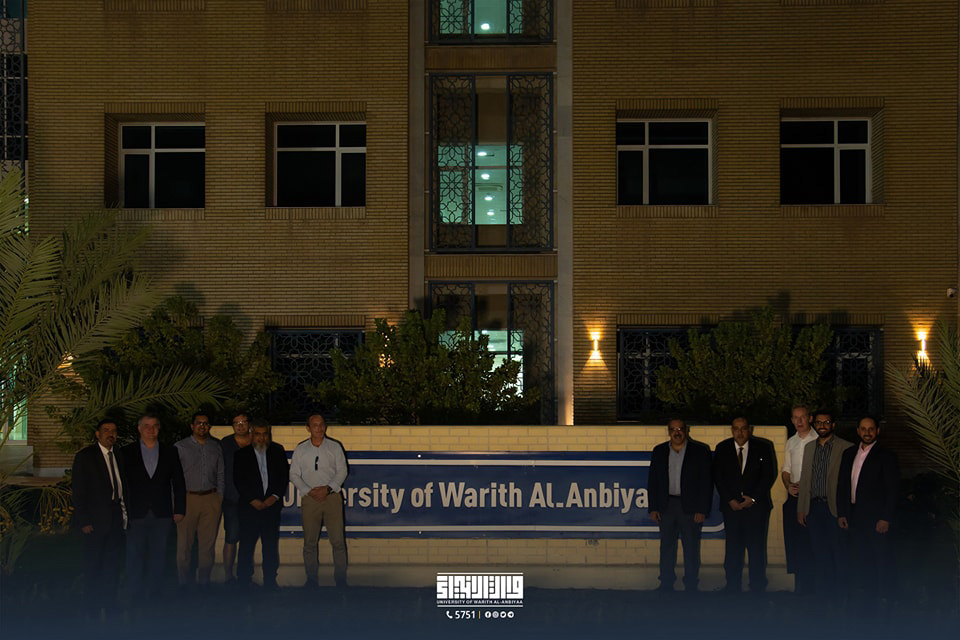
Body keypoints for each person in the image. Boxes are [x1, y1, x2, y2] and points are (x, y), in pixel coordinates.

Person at [121, 414, 186, 599]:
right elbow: (122, 484)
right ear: (139, 428)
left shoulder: (170, 451)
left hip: (162, 513)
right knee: (135, 555)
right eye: (147, 426)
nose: (151, 429)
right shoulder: (126, 452)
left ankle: (154, 593)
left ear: (159, 428)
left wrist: (179, 509)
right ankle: (135, 593)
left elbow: (178, 482)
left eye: (155, 426)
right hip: (136, 512)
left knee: (159, 556)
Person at [838, 416, 899, 609]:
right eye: (863, 429)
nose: (867, 432)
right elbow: (842, 485)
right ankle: (867, 596)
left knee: (881, 558)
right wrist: (842, 513)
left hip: (876, 518)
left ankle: (886, 598)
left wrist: (886, 517)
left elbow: (892, 489)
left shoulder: (886, 456)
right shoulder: (849, 454)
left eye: (871, 429)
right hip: (854, 516)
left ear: (877, 431)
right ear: (858, 431)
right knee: (860, 558)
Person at [647, 418, 713, 592]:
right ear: (668, 432)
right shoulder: (659, 451)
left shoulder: (700, 451)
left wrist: (702, 509)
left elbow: (706, 483)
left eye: (680, 429)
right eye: (673, 429)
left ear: (686, 430)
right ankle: (666, 583)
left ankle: (691, 585)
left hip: (690, 507)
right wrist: (653, 507)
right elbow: (653, 481)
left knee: (691, 548)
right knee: (666, 547)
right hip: (666, 506)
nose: (677, 432)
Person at [713, 417, 777, 593]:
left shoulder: (763, 447)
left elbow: (768, 475)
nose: (740, 433)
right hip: (731, 508)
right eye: (736, 429)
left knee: (756, 548)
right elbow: (718, 476)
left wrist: (753, 498)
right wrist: (729, 499)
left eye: (743, 429)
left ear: (750, 429)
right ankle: (732, 586)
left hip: (756, 508)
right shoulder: (723, 448)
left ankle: (757, 586)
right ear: (731, 430)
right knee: (733, 548)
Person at [796, 409, 853, 596]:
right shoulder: (809, 447)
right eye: (819, 422)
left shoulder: (846, 447)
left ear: (833, 425)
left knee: (839, 552)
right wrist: (801, 508)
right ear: (814, 425)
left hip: (834, 508)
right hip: (813, 508)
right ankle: (824, 593)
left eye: (826, 422)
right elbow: (805, 479)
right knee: (819, 553)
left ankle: (842, 593)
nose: (822, 426)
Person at [71, 419, 126, 607]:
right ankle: (92, 605)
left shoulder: (119, 454)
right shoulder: (85, 457)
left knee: (113, 563)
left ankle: (110, 603)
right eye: (106, 430)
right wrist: (84, 520)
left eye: (114, 430)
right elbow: (79, 491)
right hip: (95, 520)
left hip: (115, 517)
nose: (111, 434)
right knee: (94, 563)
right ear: (97, 434)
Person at [290, 413, 348, 587]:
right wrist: (309, 491)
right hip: (310, 499)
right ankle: (311, 580)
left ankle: (340, 580)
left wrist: (328, 488)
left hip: (332, 498)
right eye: (315, 425)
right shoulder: (301, 449)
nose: (319, 428)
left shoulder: (335, 447)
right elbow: (294, 474)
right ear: (308, 428)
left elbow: (342, 471)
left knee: (338, 541)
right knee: (310, 542)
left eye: (321, 424)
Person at [234, 418, 289, 589]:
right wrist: (252, 500)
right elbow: (238, 480)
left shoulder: (277, 451)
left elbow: (283, 477)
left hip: (271, 508)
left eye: (265, 434)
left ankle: (270, 580)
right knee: (246, 546)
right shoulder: (241, 455)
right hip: (249, 508)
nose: (261, 438)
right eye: (258, 434)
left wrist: (274, 497)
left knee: (270, 546)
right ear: (251, 434)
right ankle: (244, 581)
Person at [174, 412, 224, 589]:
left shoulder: (215, 446)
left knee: (207, 545)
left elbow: (220, 473)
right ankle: (183, 583)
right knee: (184, 545)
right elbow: (174, 477)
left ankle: (204, 582)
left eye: (205, 423)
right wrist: (176, 504)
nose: (202, 426)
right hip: (188, 499)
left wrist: (219, 497)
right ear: (192, 426)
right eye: (198, 423)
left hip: (210, 499)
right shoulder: (180, 447)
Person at [781, 404, 818, 593]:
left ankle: (815, 586)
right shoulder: (791, 442)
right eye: (796, 418)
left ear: (810, 418)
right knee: (796, 542)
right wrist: (788, 485)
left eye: (802, 417)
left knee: (813, 542)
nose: (799, 421)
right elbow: (786, 470)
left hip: (813, 498)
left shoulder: (819, 440)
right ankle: (800, 585)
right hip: (795, 497)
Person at [220, 412, 252, 584]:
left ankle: (245, 577)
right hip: (231, 498)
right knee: (231, 537)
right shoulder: (225, 444)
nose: (240, 425)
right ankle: (228, 576)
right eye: (236, 423)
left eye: (243, 422)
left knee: (249, 539)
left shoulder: (256, 441)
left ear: (249, 424)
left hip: (252, 500)